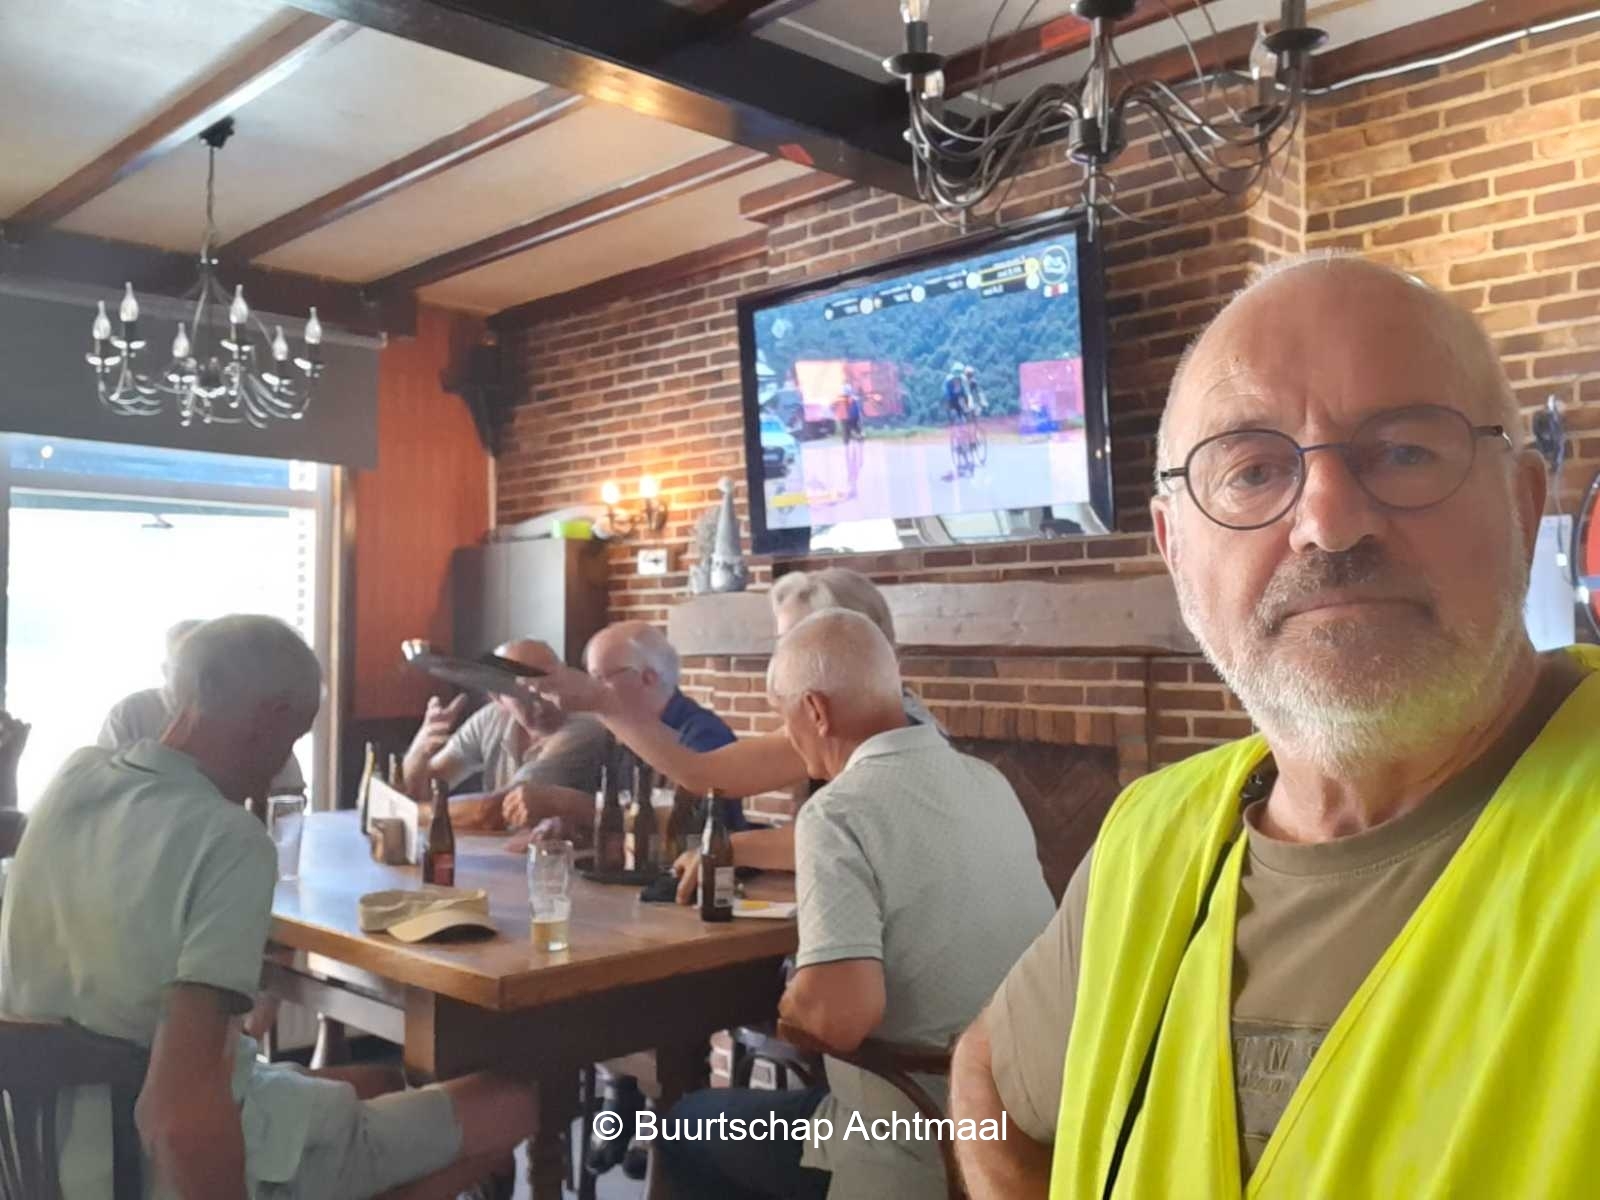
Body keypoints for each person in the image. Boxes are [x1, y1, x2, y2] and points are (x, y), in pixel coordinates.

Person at [949, 254, 1600, 1199]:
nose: (1328, 522)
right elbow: (987, 1077)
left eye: (1404, 451)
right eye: (1251, 471)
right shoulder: (1146, 837)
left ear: (1523, 504)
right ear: (1175, 551)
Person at [0, 615, 538, 1199]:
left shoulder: (74, 776)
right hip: (138, 1171)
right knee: (513, 1101)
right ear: (271, 717)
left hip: (34, 1150)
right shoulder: (229, 840)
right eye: (293, 739)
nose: (285, 760)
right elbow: (176, 1114)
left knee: (383, 1082)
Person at [659, 609, 1053, 1199]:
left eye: (784, 717)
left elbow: (839, 1019)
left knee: (687, 1125)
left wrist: (792, 1000)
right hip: (1025, 1126)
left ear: (815, 711)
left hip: (915, 1136)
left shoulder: (837, 811)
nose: (790, 738)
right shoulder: (988, 781)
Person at [535, 569, 937, 902]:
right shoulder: (871, 713)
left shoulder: (882, 728)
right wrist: (602, 703)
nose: (780, 661)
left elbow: (847, 840)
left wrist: (728, 848)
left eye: (791, 643)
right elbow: (707, 775)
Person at [402, 638, 608, 834]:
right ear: (497, 698)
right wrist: (418, 752)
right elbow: (426, 787)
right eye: (524, 696)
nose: (542, 704)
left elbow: (492, 811)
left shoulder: (584, 728)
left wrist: (407, 814)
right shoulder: (491, 718)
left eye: (550, 687)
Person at [99, 619, 304, 797]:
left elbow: (288, 791)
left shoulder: (248, 712)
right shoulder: (129, 713)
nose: (200, 680)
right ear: (166, 671)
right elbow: (107, 793)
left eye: (211, 669)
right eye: (186, 667)